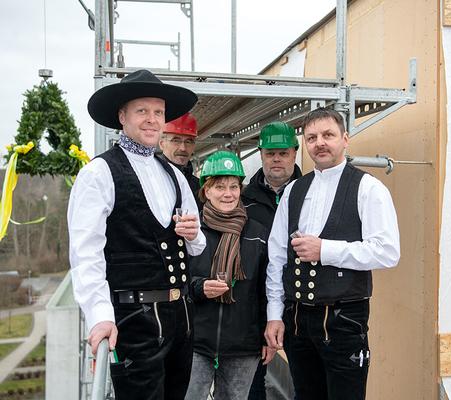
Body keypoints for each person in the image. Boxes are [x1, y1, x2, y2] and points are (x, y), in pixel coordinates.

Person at [68, 69, 206, 400]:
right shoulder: (98, 173)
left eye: (158, 112)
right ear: (122, 116)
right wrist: (100, 316)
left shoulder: (174, 174)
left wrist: (192, 233)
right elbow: (86, 253)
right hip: (133, 320)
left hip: (181, 318)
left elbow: (198, 246)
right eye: (142, 111)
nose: (152, 119)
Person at [264, 108, 400, 400]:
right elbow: (277, 257)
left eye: (328, 135)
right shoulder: (294, 190)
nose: (320, 143)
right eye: (312, 137)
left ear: (345, 139)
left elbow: (388, 252)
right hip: (297, 318)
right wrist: (275, 315)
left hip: (344, 318)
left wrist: (325, 250)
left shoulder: (368, 188)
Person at [185, 151, 275, 400]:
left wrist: (267, 334)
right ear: (206, 190)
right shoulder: (193, 232)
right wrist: (199, 287)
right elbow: (177, 282)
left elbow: (267, 289)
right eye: (220, 186)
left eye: (234, 186)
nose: (228, 193)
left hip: (243, 346)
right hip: (196, 344)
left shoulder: (258, 233)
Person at [241, 121, 302, 400]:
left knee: (306, 379)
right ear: (261, 154)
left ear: (295, 153)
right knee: (254, 383)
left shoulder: (310, 194)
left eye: (283, 152)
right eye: (270, 153)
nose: (276, 159)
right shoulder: (244, 200)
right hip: (256, 306)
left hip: (301, 303)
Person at [158, 112, 202, 208]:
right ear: (162, 144)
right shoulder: (150, 180)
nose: (183, 148)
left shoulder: (199, 187)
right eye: (175, 140)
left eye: (189, 141)